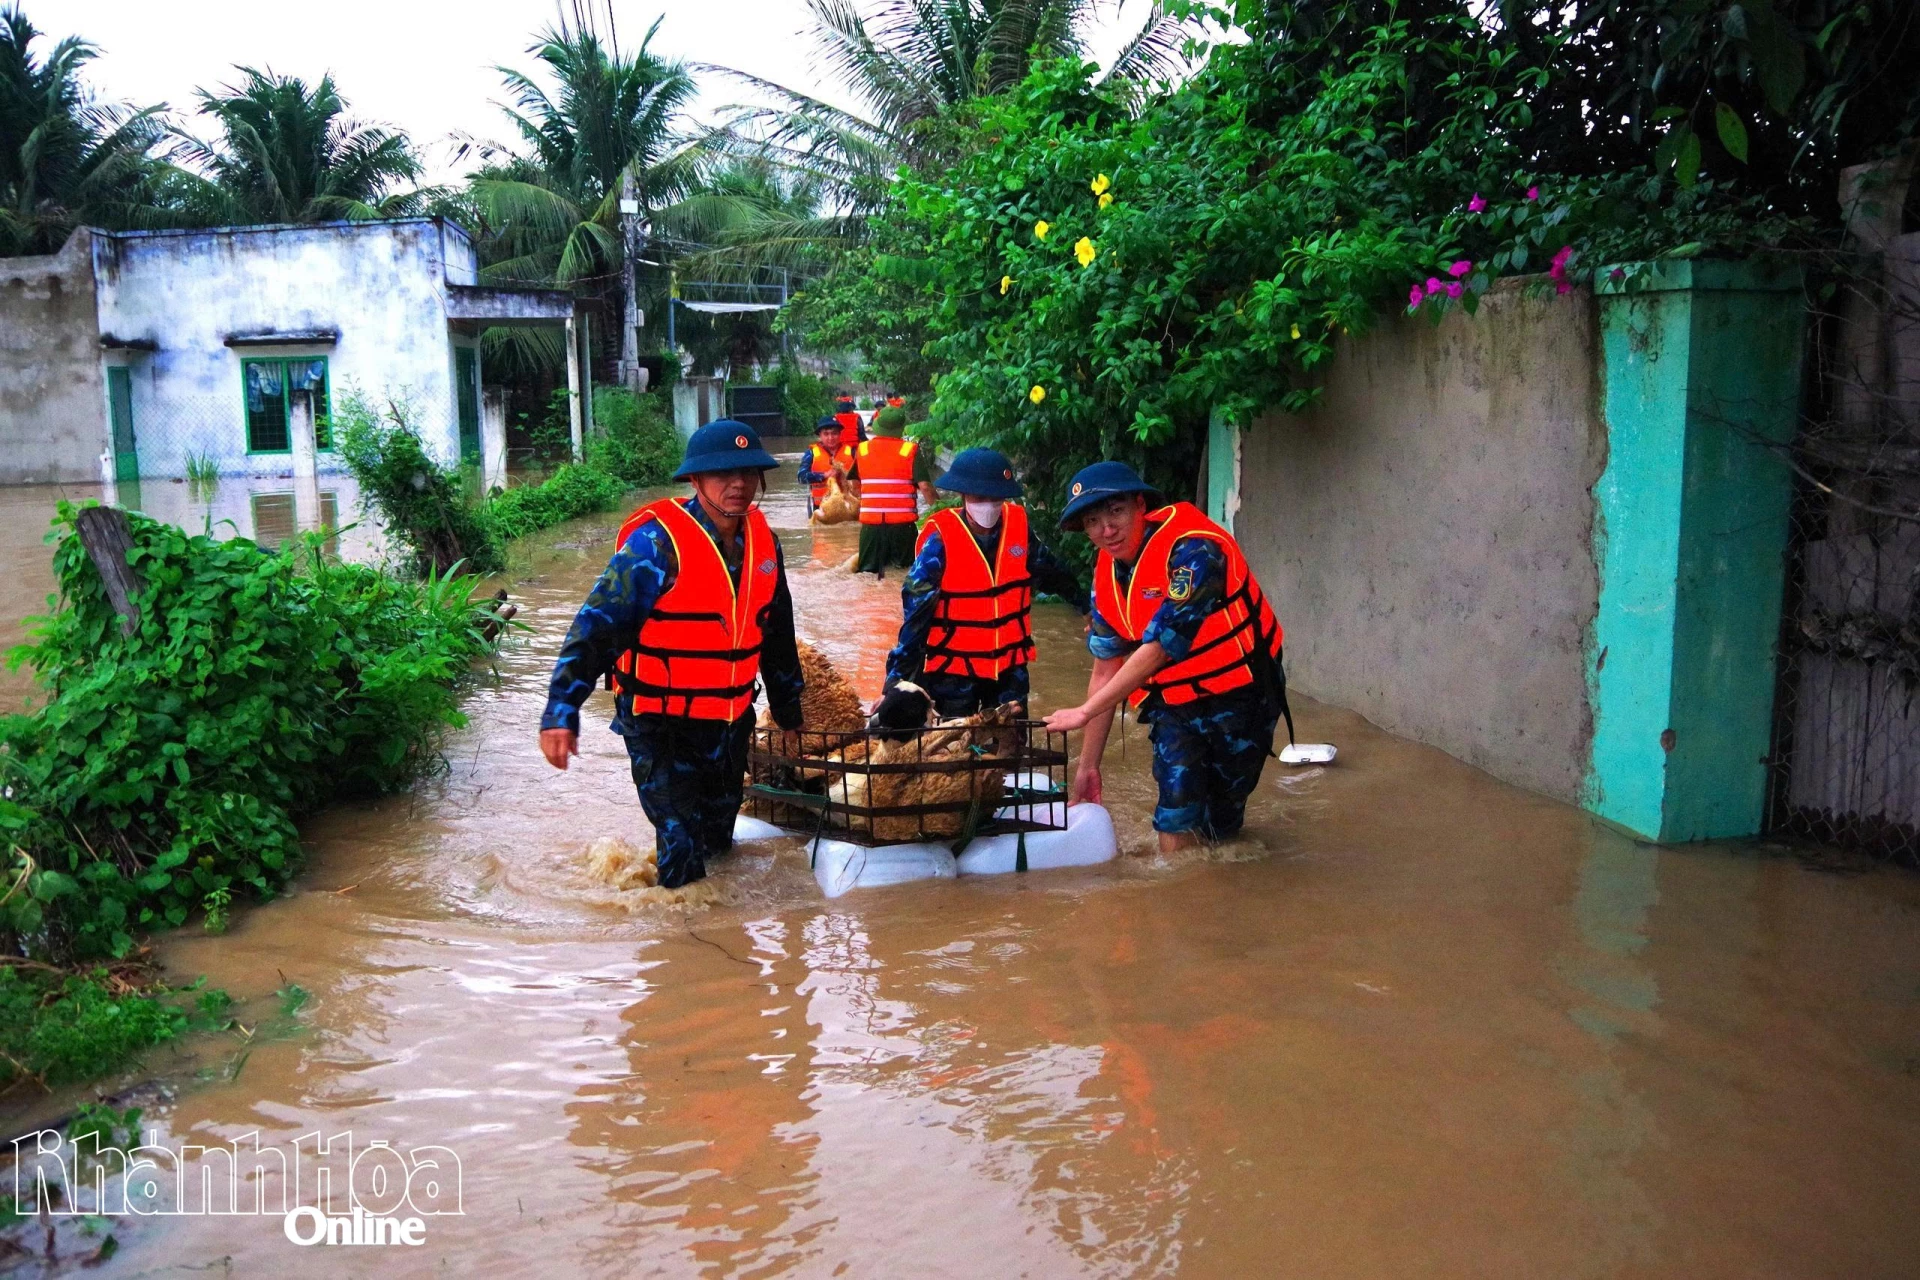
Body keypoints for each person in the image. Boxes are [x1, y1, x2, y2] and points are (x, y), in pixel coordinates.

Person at [538, 420, 804, 889]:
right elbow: (596, 626)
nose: (737, 483)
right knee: (681, 850)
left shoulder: (765, 545)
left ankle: (725, 941)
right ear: (696, 480)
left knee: (720, 841)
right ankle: (687, 947)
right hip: (660, 724)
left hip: (728, 720)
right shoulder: (656, 545)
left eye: (747, 472)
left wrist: (787, 706)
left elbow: (776, 628)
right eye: (723, 474)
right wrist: (561, 710)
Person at [1042, 462, 1289, 852]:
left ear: (1141, 505)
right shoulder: (1107, 575)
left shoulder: (1195, 550)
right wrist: (1088, 767)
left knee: (1223, 824)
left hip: (1242, 695)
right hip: (1174, 706)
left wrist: (1085, 711)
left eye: (1116, 512)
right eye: (1093, 520)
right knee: (1175, 810)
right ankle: (1175, 898)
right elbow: (1106, 669)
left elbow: (1159, 648)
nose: (1106, 529)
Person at [883, 447, 1088, 718]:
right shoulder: (940, 540)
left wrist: (1086, 606)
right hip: (953, 672)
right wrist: (897, 679)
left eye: (996, 498)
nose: (989, 505)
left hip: (1008, 668)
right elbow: (916, 616)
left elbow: (1053, 574)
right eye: (980, 497)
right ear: (963, 496)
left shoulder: (1019, 530)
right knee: (953, 746)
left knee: (1011, 742)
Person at [847, 406, 937, 576]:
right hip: (902, 527)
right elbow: (925, 487)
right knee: (903, 574)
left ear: (878, 426)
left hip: (870, 527)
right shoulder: (910, 450)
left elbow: (853, 482)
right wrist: (941, 511)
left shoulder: (863, 449)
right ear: (901, 428)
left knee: (869, 575)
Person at [798, 415, 852, 515]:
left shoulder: (852, 452)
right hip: (820, 507)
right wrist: (824, 475)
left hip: (848, 506)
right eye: (826, 434)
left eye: (834, 433)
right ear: (820, 435)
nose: (830, 438)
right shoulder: (811, 453)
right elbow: (801, 477)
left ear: (840, 434)